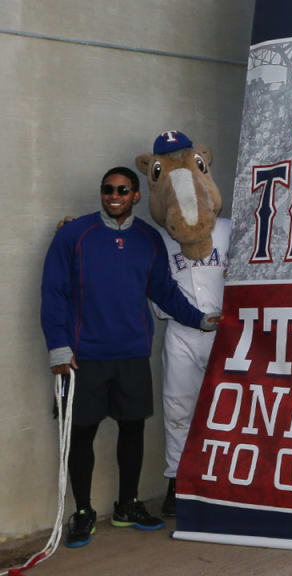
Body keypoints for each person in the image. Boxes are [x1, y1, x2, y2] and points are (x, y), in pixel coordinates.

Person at [41, 166, 220, 548]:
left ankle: (127, 505)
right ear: (102, 193)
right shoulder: (75, 235)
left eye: (123, 189)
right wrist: (58, 347)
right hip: (83, 356)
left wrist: (201, 320)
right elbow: (53, 292)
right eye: (108, 189)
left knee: (133, 429)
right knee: (81, 433)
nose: (114, 195)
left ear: (136, 195)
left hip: (132, 354)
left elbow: (165, 292)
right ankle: (84, 511)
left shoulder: (149, 239)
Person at [154, 209, 229, 516]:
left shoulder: (227, 228)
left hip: (226, 332)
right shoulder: (160, 235)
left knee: (225, 410)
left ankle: (224, 482)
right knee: (177, 409)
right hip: (181, 330)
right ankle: (178, 481)